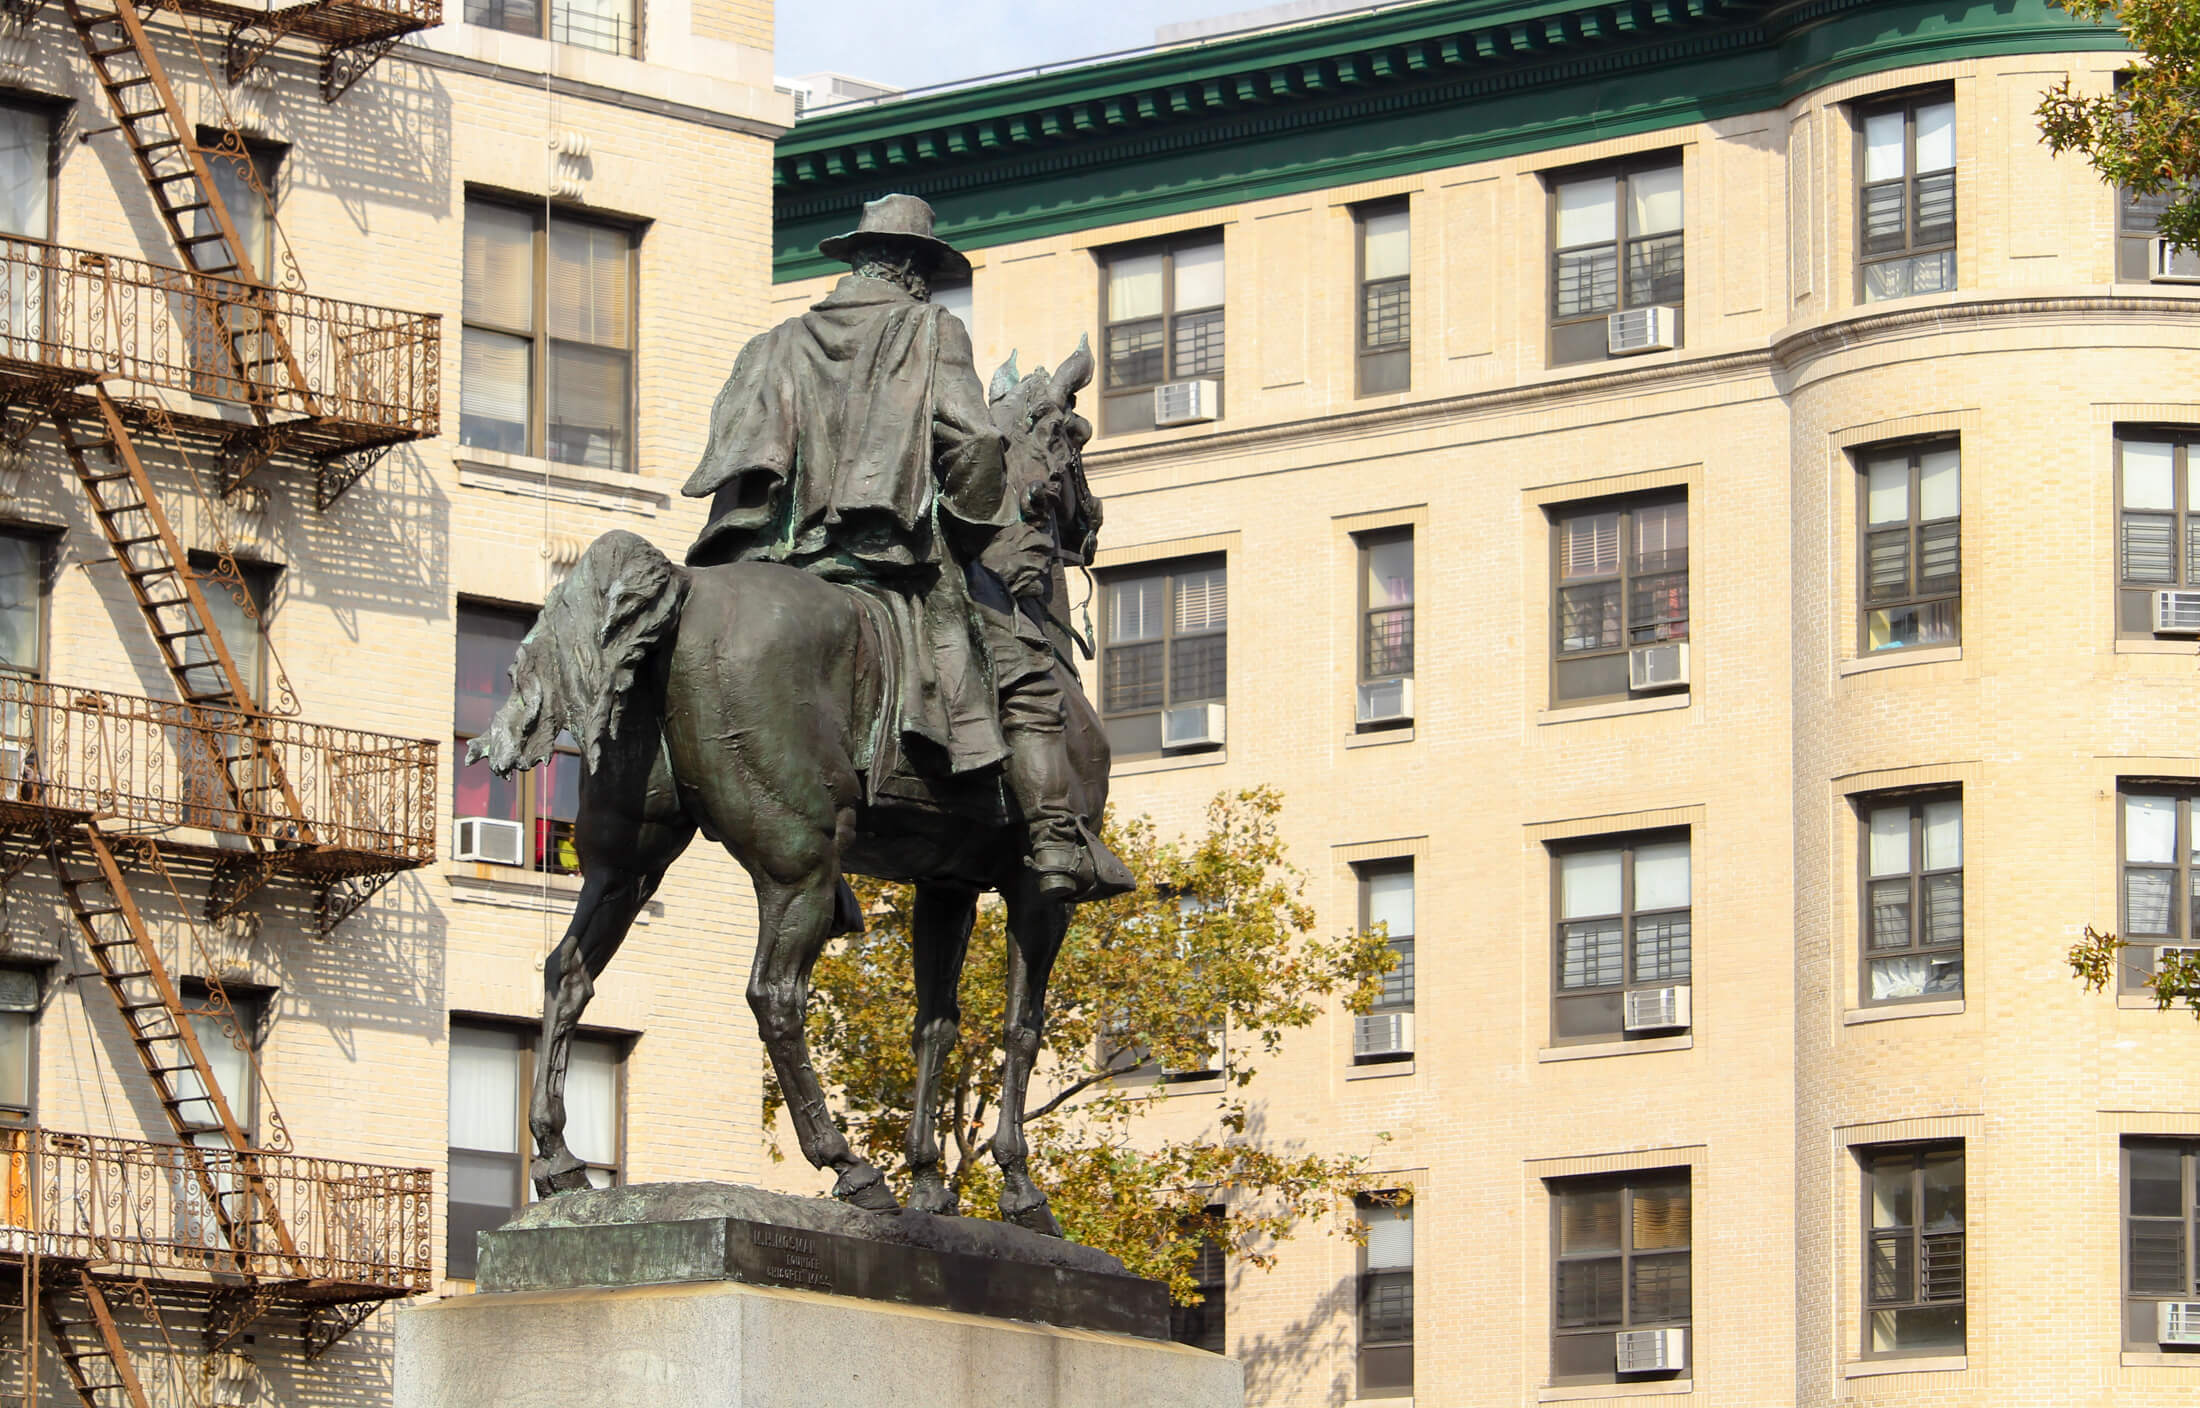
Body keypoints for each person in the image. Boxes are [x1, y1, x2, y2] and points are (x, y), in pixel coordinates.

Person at [682, 193, 1093, 900]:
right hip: (888, 561)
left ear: (860, 261)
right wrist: (972, 529)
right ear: (912, 268)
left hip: (778, 559)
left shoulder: (775, 343)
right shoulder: (932, 330)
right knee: (1026, 670)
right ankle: (1054, 837)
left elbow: (737, 453)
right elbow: (977, 440)